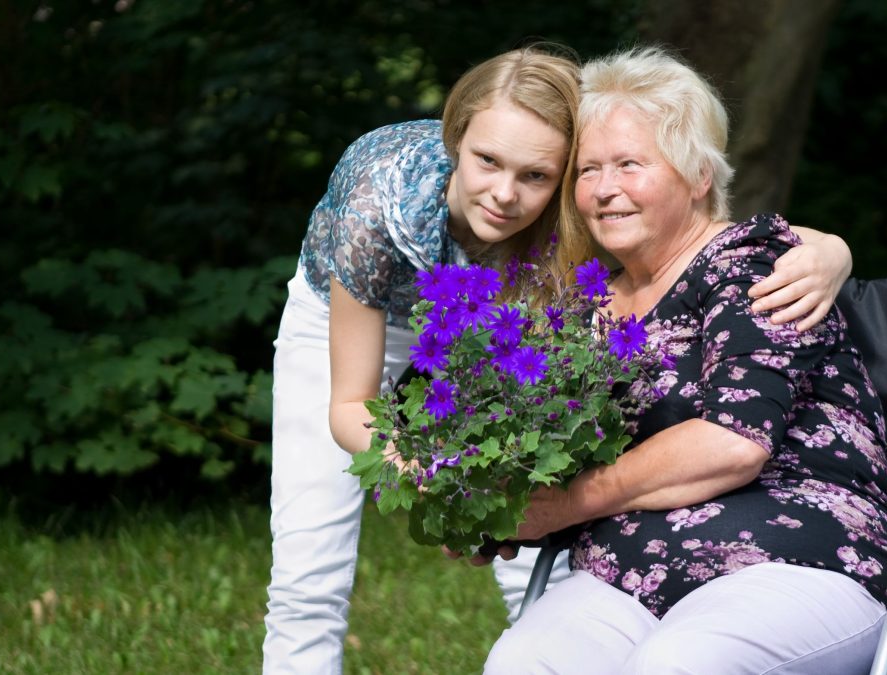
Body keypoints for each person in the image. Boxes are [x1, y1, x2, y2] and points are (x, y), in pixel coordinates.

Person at [263, 45, 854, 674]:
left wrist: (830, 250)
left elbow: (710, 225)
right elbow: (349, 405)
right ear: (453, 138)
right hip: (356, 312)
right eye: (485, 160)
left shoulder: (582, 202)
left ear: (564, 171)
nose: (504, 194)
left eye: (538, 176)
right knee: (310, 563)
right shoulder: (379, 192)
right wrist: (438, 474)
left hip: (485, 321)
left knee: (526, 534)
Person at [483, 47, 887, 675]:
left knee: (679, 665)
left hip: (793, 553)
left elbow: (734, 442)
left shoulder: (756, 267)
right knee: (522, 663)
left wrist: (569, 504)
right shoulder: (582, 309)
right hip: (627, 574)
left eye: (630, 164)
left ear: (698, 177)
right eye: (589, 169)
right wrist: (489, 506)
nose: (605, 190)